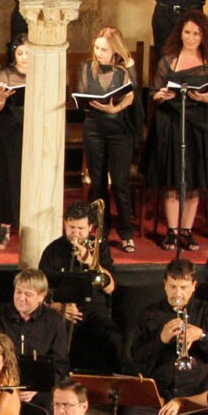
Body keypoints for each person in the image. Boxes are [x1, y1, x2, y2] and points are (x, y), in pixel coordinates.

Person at [122, 259, 208, 415]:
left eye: (183, 287)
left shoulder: (207, 312)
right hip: (159, 394)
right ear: (165, 285)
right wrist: (160, 339)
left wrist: (201, 336)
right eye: (173, 287)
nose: (178, 293)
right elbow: (134, 358)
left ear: (194, 286)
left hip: (196, 395)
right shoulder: (150, 314)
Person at [147, 10, 208, 251]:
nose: (191, 38)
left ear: (204, 36)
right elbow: (153, 92)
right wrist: (159, 96)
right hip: (172, 123)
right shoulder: (168, 60)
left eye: (196, 34)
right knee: (173, 179)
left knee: (194, 180)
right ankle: (172, 230)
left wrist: (207, 98)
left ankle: (187, 230)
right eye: (187, 32)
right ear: (180, 33)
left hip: (198, 125)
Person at [75, 26, 139, 251]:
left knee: (120, 183)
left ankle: (126, 232)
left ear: (115, 50)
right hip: (94, 127)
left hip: (119, 129)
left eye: (104, 49)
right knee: (97, 181)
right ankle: (100, 229)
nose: (99, 53)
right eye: (97, 48)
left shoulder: (124, 70)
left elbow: (131, 97)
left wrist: (115, 108)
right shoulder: (86, 67)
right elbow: (82, 93)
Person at [39, 201, 122, 373]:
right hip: (63, 308)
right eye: (71, 227)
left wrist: (92, 262)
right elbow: (41, 289)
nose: (75, 233)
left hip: (93, 308)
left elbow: (111, 288)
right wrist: (58, 307)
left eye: (81, 228)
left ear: (90, 227)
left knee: (113, 336)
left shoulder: (101, 247)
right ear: (65, 224)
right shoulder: (53, 250)